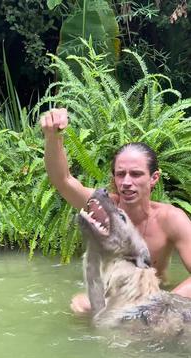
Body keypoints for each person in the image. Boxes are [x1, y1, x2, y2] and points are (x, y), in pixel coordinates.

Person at [40, 108, 191, 314]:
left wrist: (160, 303)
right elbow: (63, 181)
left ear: (154, 178)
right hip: (112, 297)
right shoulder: (104, 207)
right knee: (81, 306)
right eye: (121, 174)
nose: (127, 182)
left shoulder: (170, 219)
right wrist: (52, 137)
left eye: (136, 174)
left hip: (154, 298)